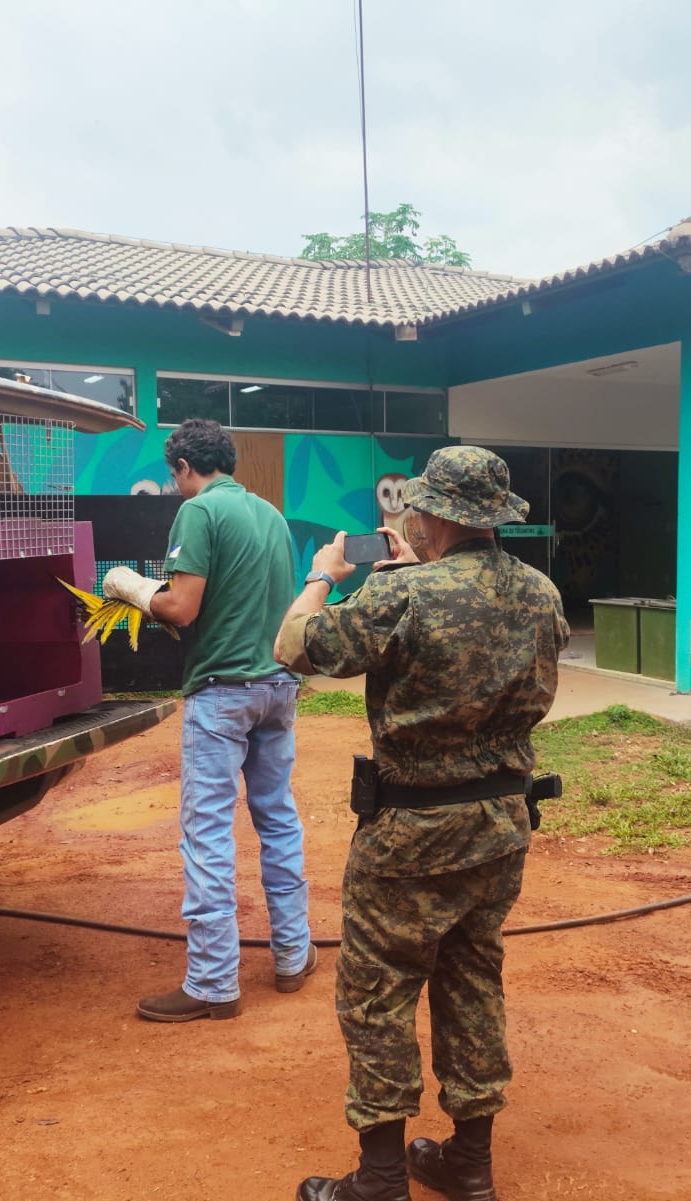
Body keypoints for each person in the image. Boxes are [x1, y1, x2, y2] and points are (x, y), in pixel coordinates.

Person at [274, 445, 569, 1201]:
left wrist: (321, 576)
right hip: (501, 824)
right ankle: (469, 1168)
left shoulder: (403, 596)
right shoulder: (541, 593)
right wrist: (415, 573)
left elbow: (293, 646)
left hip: (410, 836)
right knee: (473, 980)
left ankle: (379, 1181)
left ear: (432, 514)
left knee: (377, 992)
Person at [102, 418, 312, 1023]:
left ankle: (214, 983)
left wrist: (133, 587)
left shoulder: (197, 511)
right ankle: (294, 956)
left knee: (208, 834)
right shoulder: (271, 514)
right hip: (277, 686)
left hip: (222, 693)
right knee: (278, 820)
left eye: (176, 477)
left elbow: (182, 607)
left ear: (184, 469)